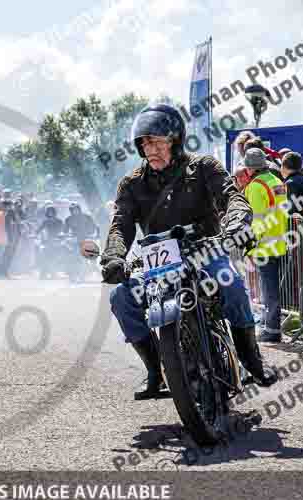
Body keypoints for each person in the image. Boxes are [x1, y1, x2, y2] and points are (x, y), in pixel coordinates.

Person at [101, 104, 277, 400]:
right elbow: (120, 227)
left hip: (206, 252)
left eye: (156, 142)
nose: (150, 150)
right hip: (160, 262)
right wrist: (114, 257)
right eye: (144, 144)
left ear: (175, 140)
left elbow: (232, 198)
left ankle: (252, 359)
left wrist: (236, 225)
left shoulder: (204, 167)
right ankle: (156, 372)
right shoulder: (131, 185)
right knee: (122, 297)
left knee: (232, 285)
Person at [235, 148, 289, 343]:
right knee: (272, 289)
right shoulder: (277, 181)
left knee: (268, 290)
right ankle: (271, 326)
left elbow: (257, 220)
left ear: (249, 169)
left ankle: (272, 330)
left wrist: (249, 245)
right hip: (279, 242)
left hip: (263, 246)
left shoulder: (255, 186)